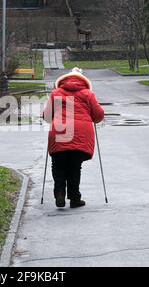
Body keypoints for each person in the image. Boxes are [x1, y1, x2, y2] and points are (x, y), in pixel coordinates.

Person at [43, 68, 104, 208]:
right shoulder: (88, 94)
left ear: (63, 81)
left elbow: (47, 116)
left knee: (57, 164)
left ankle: (59, 193)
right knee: (75, 166)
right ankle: (75, 198)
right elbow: (98, 115)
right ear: (83, 81)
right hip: (80, 133)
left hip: (59, 131)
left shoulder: (56, 93)